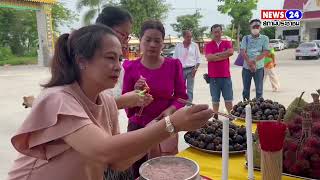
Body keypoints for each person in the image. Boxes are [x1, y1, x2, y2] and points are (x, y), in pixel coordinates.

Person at [7, 24, 213, 180]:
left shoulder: (106, 102)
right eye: (110, 58)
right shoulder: (58, 98)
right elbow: (104, 149)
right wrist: (171, 124)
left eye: (119, 59)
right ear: (82, 61)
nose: (118, 67)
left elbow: (118, 160)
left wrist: (156, 129)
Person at [22, 6, 149, 110]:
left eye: (128, 37)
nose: (125, 41)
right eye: (123, 34)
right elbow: (82, 107)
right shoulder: (82, 69)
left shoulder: (116, 67)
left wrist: (133, 95)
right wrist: (125, 101)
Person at [122, 20, 189, 178]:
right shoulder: (130, 68)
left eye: (157, 41)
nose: (152, 44)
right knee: (138, 171)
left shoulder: (173, 65)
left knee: (165, 170)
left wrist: (170, 111)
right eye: (148, 40)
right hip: (138, 128)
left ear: (163, 44)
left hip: (166, 126)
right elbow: (125, 103)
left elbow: (182, 97)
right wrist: (135, 93)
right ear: (141, 41)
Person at [204, 24, 234, 118]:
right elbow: (209, 58)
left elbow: (231, 52)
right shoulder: (208, 45)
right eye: (214, 32)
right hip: (213, 77)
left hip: (226, 76)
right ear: (212, 33)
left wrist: (216, 56)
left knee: (228, 99)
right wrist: (223, 56)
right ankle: (215, 116)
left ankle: (231, 116)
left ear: (222, 32)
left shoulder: (227, 43)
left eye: (218, 31)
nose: (217, 34)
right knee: (215, 100)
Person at [240, 19, 270, 101]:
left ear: (260, 28)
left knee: (259, 90)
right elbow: (242, 51)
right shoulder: (245, 38)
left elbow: (266, 51)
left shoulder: (265, 38)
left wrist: (255, 60)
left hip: (259, 67)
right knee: (246, 90)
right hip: (246, 68)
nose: (256, 28)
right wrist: (249, 62)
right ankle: (246, 107)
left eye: (257, 26)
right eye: (254, 26)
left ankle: (258, 109)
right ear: (250, 27)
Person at [173, 30, 201, 103]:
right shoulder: (178, 46)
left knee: (190, 88)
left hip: (191, 69)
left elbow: (198, 58)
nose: (190, 38)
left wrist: (195, 69)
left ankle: (189, 104)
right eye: (188, 36)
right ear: (184, 37)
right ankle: (180, 104)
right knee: (181, 88)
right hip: (181, 70)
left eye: (191, 36)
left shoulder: (194, 45)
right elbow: (174, 59)